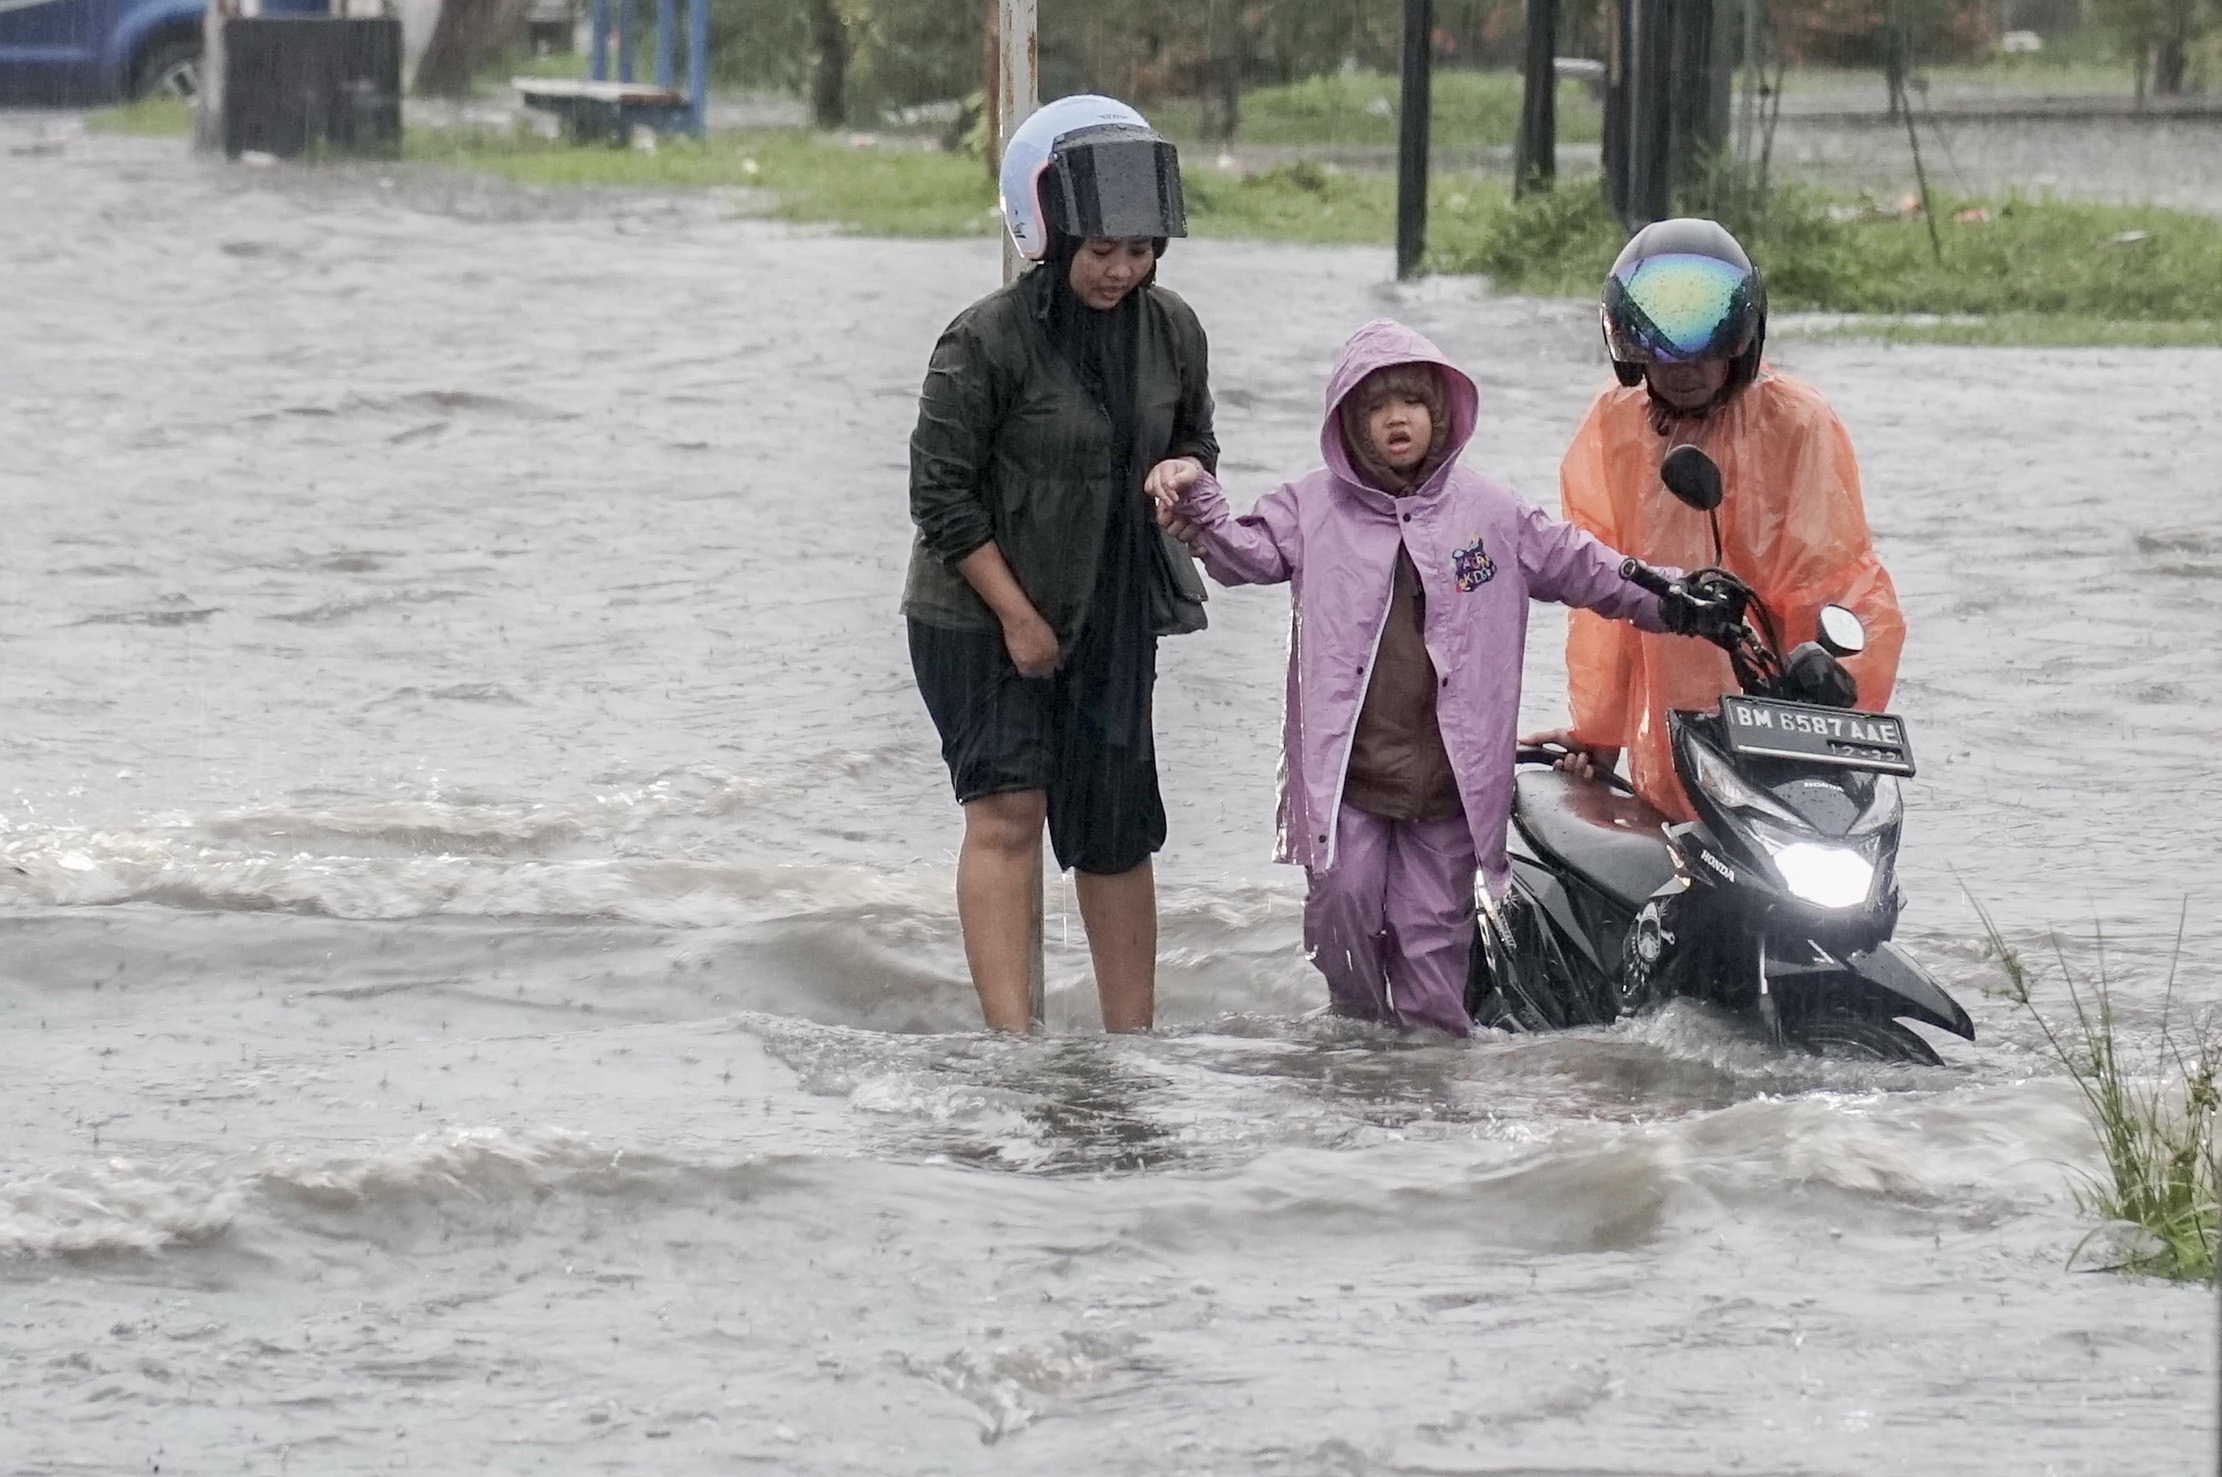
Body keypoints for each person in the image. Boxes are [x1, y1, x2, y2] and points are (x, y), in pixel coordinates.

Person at [1151, 319, 1690, 1037]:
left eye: (1411, 402)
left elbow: (1590, 568)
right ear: (1350, 422)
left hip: (1447, 787)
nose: (1395, 418)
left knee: (1432, 947)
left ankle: (1430, 1111)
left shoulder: (1492, 514)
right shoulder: (1311, 507)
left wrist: (1683, 598)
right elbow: (1245, 554)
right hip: (1351, 782)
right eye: (1376, 407)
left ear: (1442, 415)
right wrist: (1199, 499)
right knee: (1341, 913)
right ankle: (1357, 1059)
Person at [904, 96, 1215, 1033]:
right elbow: (940, 498)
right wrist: (1017, 617)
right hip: (975, 613)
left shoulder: (1174, 330)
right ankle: (1014, 1043)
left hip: (1113, 605)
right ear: (1050, 232)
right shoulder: (983, 340)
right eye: (1102, 249)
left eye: (1142, 248)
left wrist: (1183, 470)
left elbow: (1196, 438)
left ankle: (1135, 1046)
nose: (1123, 269)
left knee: (1118, 831)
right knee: (1009, 808)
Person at [1523, 217, 1906, 822]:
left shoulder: (1797, 423)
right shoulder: (1612, 423)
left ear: (1742, 341)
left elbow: (1834, 583)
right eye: (1663, 355)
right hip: (1668, 719)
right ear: (1630, 350)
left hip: (1779, 716)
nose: (1684, 370)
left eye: (1703, 353)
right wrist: (1598, 733)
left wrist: (1828, 707)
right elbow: (1605, 591)